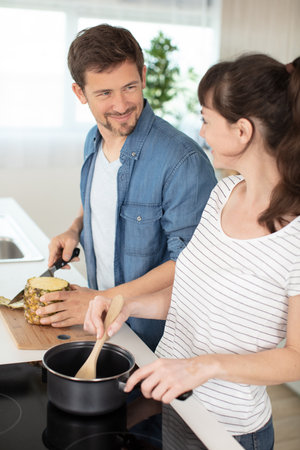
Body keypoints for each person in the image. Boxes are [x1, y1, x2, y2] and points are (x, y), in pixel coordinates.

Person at [84, 54, 300, 450]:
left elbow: (297, 357)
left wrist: (204, 367)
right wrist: (130, 305)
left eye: (206, 119)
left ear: (242, 131)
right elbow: (192, 296)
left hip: (228, 429)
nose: (200, 133)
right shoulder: (222, 194)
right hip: (175, 406)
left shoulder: (297, 238)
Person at [36, 24, 216, 351]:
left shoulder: (182, 160)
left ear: (143, 75)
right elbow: (104, 197)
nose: (121, 105)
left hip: (156, 341)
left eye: (129, 87)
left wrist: (100, 298)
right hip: (105, 324)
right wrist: (74, 229)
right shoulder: (94, 139)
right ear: (80, 93)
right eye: (104, 93)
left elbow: (191, 265)